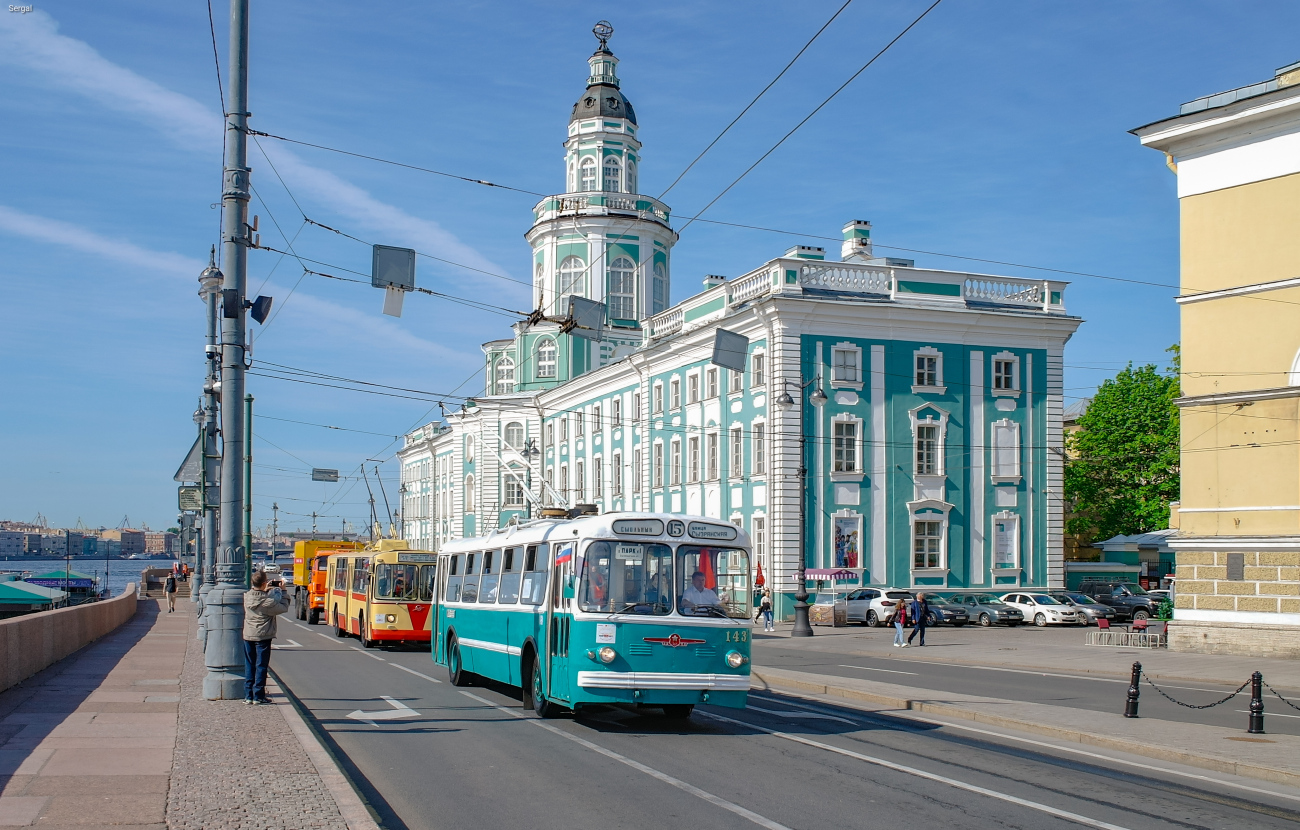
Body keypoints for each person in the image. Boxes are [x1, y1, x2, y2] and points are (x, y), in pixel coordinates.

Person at [243, 570, 290, 705]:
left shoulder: (247, 596)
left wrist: (265, 590)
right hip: (263, 636)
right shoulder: (267, 602)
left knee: (249, 665)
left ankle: (248, 695)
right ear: (264, 583)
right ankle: (258, 696)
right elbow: (283, 607)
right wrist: (283, 591)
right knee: (261, 666)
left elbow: (257, 596)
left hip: (248, 635)